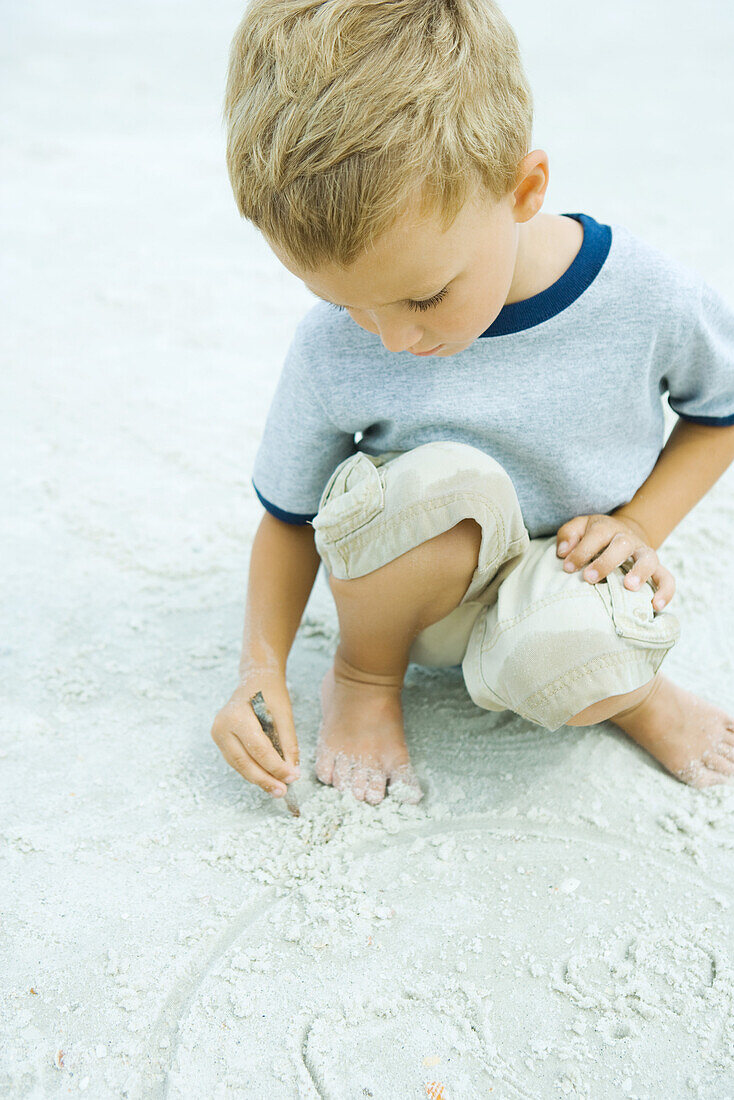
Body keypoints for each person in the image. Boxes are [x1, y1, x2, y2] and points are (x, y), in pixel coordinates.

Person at [211, 0, 734, 805]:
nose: (388, 340)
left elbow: (721, 408)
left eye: (423, 298)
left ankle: (631, 695)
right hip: (409, 598)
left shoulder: (647, 296)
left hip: (562, 582)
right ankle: (363, 677)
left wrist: (638, 527)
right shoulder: (331, 345)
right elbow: (286, 518)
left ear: (523, 189)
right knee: (445, 480)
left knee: (585, 660)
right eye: (349, 304)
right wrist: (260, 670)